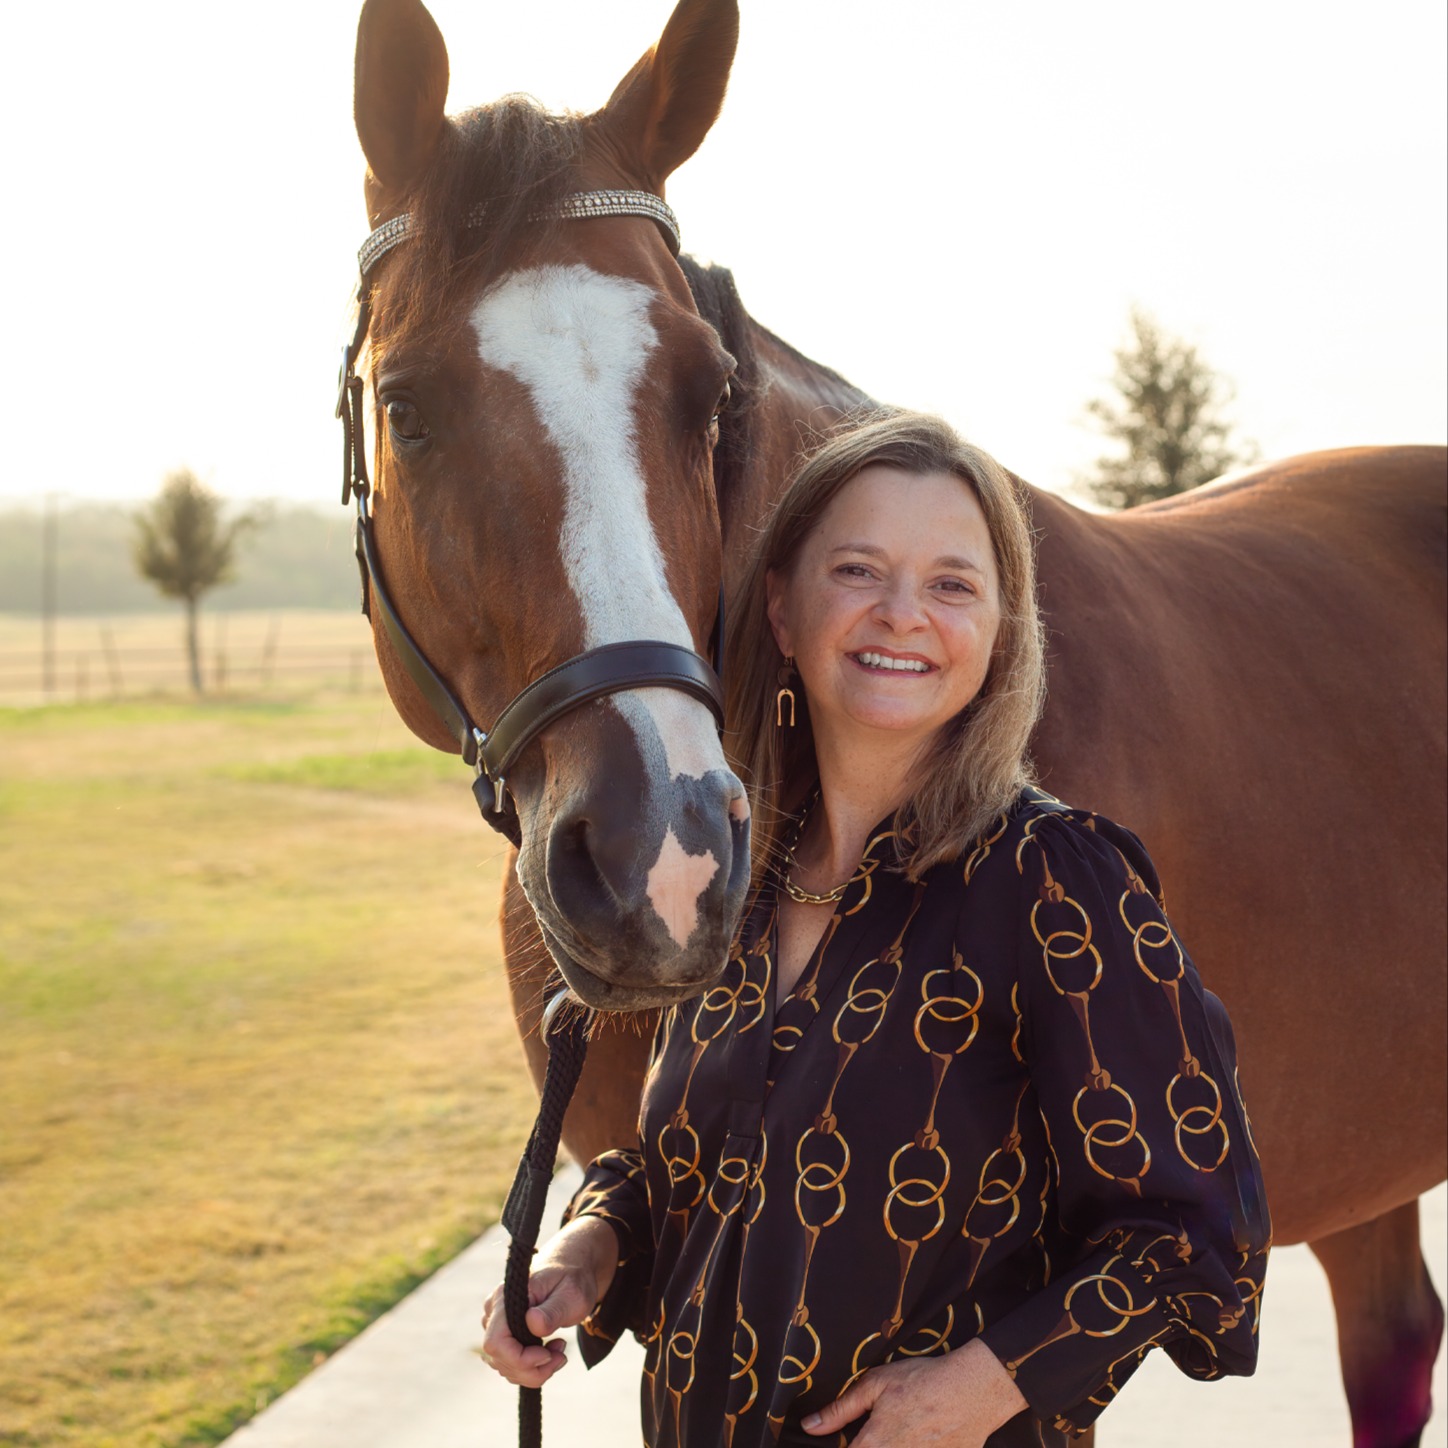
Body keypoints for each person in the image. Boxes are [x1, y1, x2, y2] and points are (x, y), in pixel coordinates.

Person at [481, 411, 1271, 1447]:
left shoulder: (1053, 879)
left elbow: (1192, 1227)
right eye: (857, 569)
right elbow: (702, 1163)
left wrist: (984, 1384)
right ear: (780, 608)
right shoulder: (735, 869)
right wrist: (586, 1249)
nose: (903, 613)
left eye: (952, 583)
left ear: (998, 630)